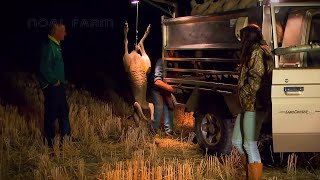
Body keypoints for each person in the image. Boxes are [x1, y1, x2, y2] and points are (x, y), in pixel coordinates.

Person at [231, 24, 274, 180]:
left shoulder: (257, 51)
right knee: (236, 141)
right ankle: (249, 173)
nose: (241, 41)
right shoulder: (260, 50)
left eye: (242, 38)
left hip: (254, 103)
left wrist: (242, 93)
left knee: (250, 144)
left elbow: (256, 79)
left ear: (247, 38)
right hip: (249, 104)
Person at [38, 22, 71, 148]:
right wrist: (53, 81)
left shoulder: (56, 45)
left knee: (63, 110)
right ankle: (50, 141)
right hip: (52, 86)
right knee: (52, 113)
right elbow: (44, 68)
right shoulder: (49, 46)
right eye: (63, 31)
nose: (65, 33)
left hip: (59, 85)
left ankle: (66, 137)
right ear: (56, 32)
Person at [151, 57, 177, 136]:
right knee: (159, 107)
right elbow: (157, 81)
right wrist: (171, 89)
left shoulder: (174, 61)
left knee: (170, 106)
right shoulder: (161, 61)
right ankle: (153, 129)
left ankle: (169, 131)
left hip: (166, 88)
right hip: (157, 88)